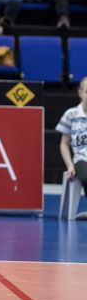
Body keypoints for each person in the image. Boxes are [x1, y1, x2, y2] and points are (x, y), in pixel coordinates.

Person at [57, 77, 87, 206]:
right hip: (82, 159)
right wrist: (70, 165)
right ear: (80, 93)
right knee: (86, 177)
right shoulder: (71, 114)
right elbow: (64, 144)